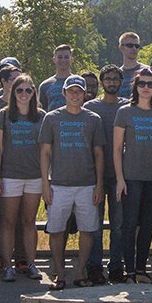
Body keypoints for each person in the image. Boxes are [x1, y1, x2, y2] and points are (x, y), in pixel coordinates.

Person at [41, 76, 104, 289]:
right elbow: (45, 153)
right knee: (57, 230)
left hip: (87, 184)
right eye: (71, 91)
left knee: (88, 230)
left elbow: (98, 154)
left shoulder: (93, 119)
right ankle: (60, 273)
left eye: (79, 91)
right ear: (64, 93)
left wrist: (100, 184)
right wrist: (45, 184)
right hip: (58, 184)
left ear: (85, 93)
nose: (75, 95)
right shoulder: (51, 118)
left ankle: (79, 272)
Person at [112, 70, 152, 284]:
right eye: (142, 83)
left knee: (148, 224)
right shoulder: (125, 112)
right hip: (131, 176)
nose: (146, 87)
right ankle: (128, 272)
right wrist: (120, 179)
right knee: (129, 224)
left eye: (151, 84)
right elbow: (117, 148)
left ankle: (140, 270)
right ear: (135, 87)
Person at [0, 74, 45, 282]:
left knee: (29, 222)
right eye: (19, 90)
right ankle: (8, 265)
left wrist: (45, 177)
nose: (24, 94)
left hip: (34, 175)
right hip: (10, 175)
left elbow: (45, 150)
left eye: (28, 90)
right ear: (13, 93)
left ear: (34, 93)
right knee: (8, 221)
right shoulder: (3, 115)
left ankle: (31, 263)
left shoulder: (42, 116)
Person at [84, 65, 125, 284]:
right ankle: (94, 267)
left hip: (120, 176)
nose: (111, 82)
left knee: (118, 225)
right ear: (101, 82)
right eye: (107, 79)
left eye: (115, 79)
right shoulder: (90, 107)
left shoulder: (128, 107)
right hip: (94, 175)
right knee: (95, 224)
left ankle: (117, 267)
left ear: (121, 81)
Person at [38, 45, 77, 111]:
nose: (63, 60)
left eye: (66, 57)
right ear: (54, 59)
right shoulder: (45, 85)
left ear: (71, 60)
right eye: (60, 57)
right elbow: (42, 111)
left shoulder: (78, 82)